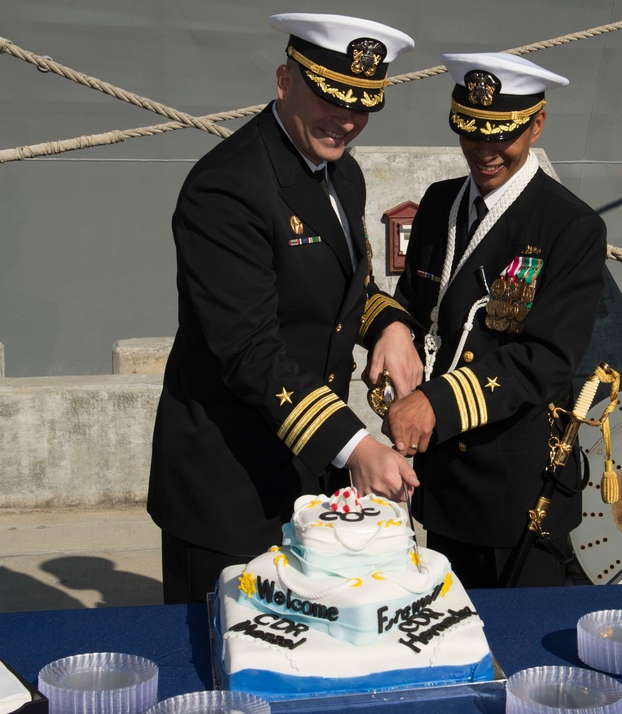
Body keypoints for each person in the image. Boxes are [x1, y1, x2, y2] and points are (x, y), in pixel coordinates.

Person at [147, 13, 422, 604]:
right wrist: (357, 447)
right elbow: (249, 348)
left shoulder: (341, 174)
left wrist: (392, 324)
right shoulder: (226, 187)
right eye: (329, 95)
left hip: (303, 468)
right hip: (229, 482)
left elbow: (349, 289)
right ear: (283, 81)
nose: (346, 119)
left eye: (362, 104)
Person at [383, 52, 607, 588]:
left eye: (500, 136)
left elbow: (546, 360)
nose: (484, 152)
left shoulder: (568, 226)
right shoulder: (440, 204)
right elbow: (416, 304)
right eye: (471, 133)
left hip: (515, 487)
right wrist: (392, 333)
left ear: (536, 125)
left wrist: (434, 403)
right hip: (443, 479)